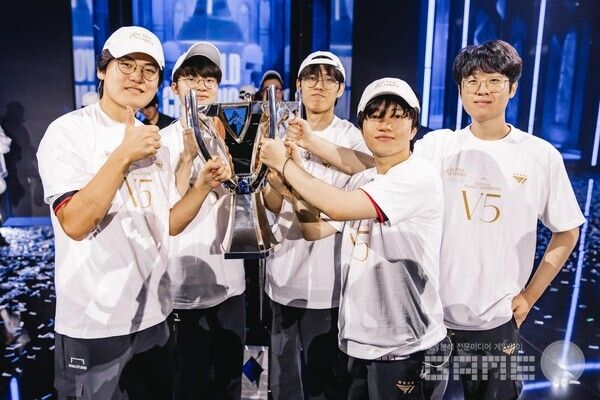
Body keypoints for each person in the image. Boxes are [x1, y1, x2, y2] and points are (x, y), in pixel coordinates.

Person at [36, 27, 231, 400]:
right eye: (126, 65)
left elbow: (166, 223)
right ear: (102, 70)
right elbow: (75, 223)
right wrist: (123, 155)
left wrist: (202, 187)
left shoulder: (154, 141)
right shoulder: (68, 132)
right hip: (93, 327)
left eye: (149, 70)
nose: (137, 77)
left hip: (154, 321)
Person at [412, 39, 584, 399]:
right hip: (431, 318)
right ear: (460, 89)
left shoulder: (540, 156)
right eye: (472, 81)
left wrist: (530, 296)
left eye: (494, 81)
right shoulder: (437, 147)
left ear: (513, 87)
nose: (482, 90)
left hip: (496, 322)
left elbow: (567, 231)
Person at [260, 77, 448, 400]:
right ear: (362, 127)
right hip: (361, 345)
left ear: (414, 128)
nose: (385, 124)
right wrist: (290, 191)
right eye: (375, 116)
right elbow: (314, 229)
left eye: (397, 116)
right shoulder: (365, 178)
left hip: (406, 349)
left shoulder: (417, 175)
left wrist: (286, 165)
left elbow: (339, 205)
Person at [261, 51, 371, 399]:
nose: (319, 85)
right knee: (284, 387)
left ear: (341, 88)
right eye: (311, 77)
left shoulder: (351, 138)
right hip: (282, 279)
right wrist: (277, 186)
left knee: (325, 386)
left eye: (329, 78)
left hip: (330, 286)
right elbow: (270, 203)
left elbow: (367, 168)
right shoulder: (278, 133)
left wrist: (305, 151)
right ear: (298, 85)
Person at [161, 41, 246, 399]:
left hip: (230, 282)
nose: (201, 86)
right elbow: (167, 211)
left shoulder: (232, 136)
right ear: (174, 87)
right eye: (191, 78)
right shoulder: (160, 141)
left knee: (229, 382)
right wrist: (186, 159)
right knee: (187, 383)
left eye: (209, 80)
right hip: (182, 286)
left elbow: (245, 196)